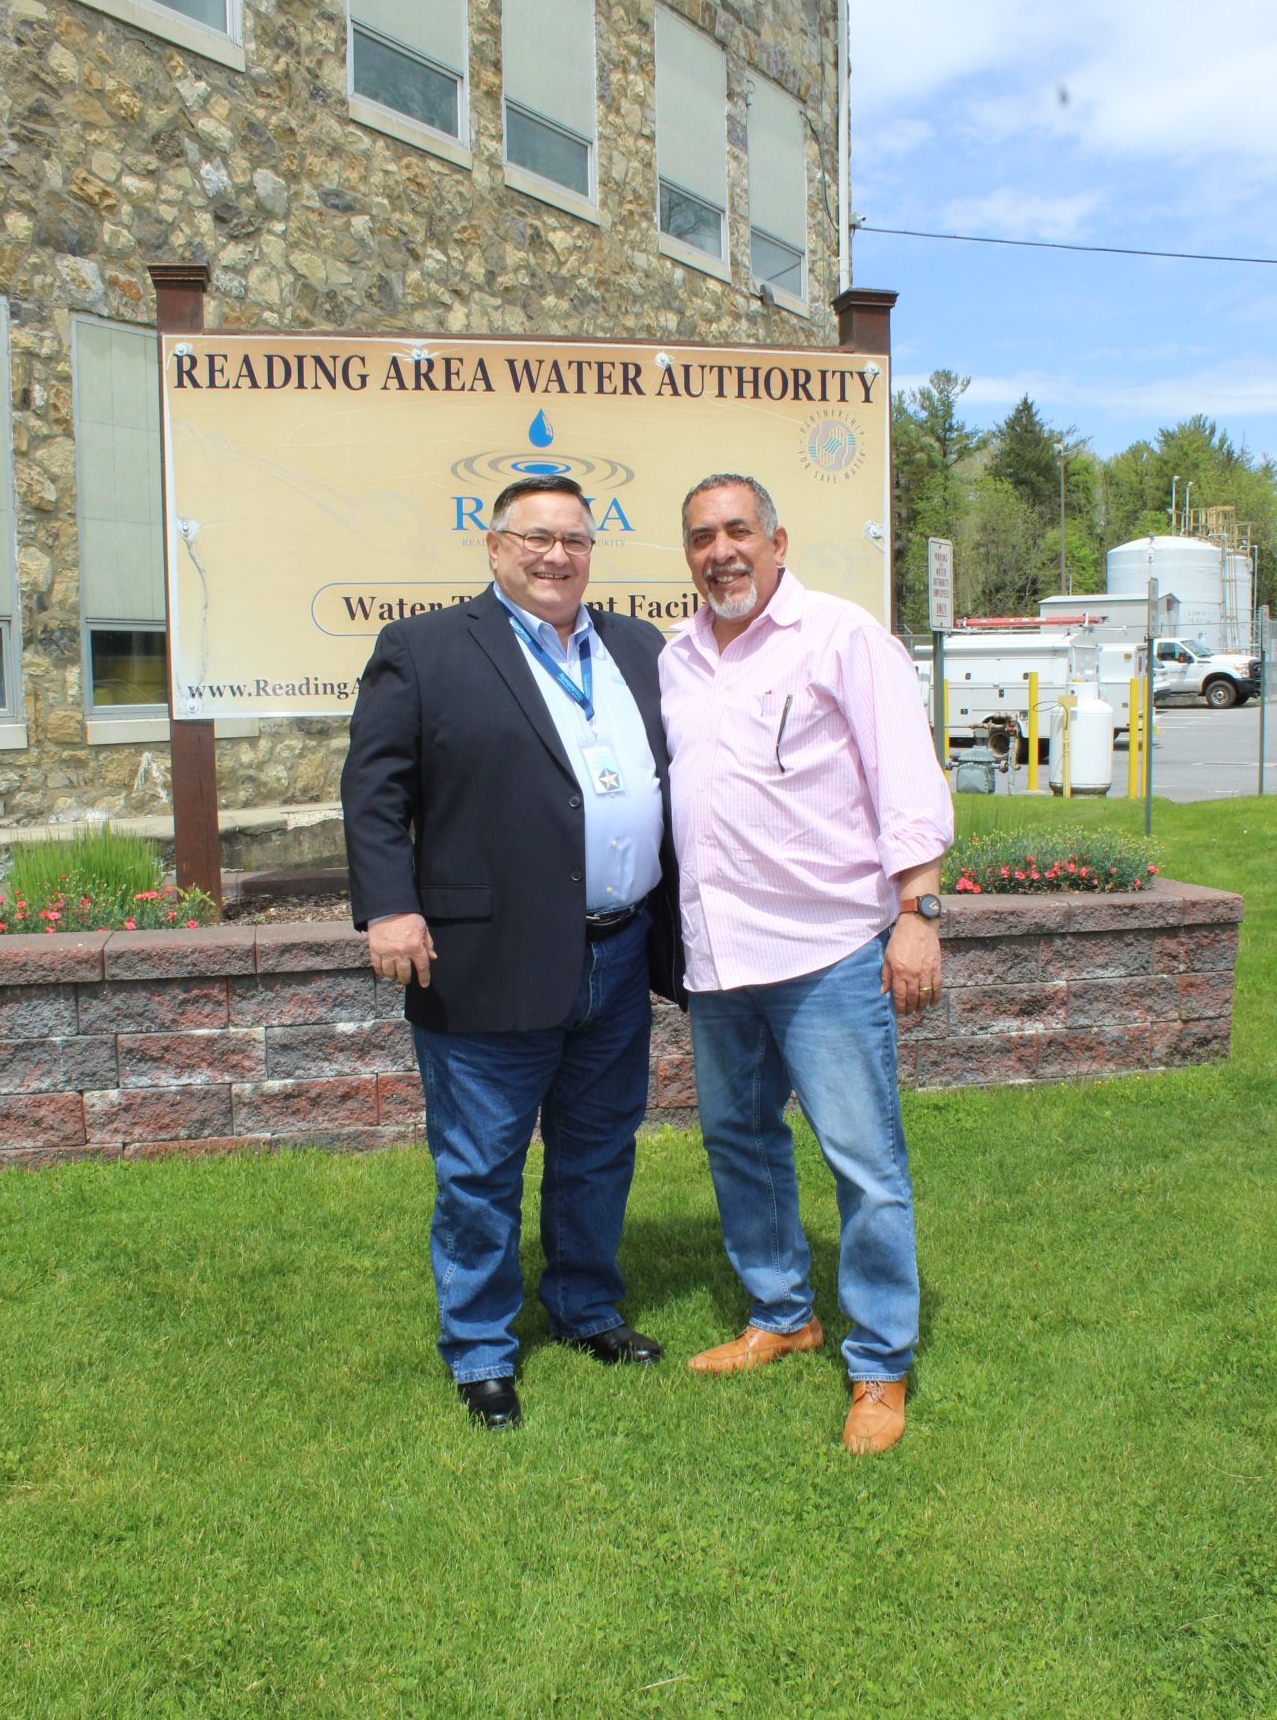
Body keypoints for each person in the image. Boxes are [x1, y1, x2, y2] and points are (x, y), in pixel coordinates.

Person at [342, 475, 681, 1430]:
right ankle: (483, 1350)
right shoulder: (425, 649)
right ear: (493, 548)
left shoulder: (635, 646)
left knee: (598, 1148)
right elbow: (373, 795)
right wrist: (389, 910)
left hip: (617, 954)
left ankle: (584, 1309)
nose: (555, 556)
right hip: (482, 955)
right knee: (481, 1163)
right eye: (534, 538)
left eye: (574, 539)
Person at [659, 473, 953, 1454]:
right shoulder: (675, 658)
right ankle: (781, 1315)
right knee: (738, 1144)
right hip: (718, 954)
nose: (720, 551)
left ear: (776, 541)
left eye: (737, 530)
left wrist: (915, 912)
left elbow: (904, 776)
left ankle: (878, 1367)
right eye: (701, 536)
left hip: (826, 947)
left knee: (862, 1164)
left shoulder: (840, 636)